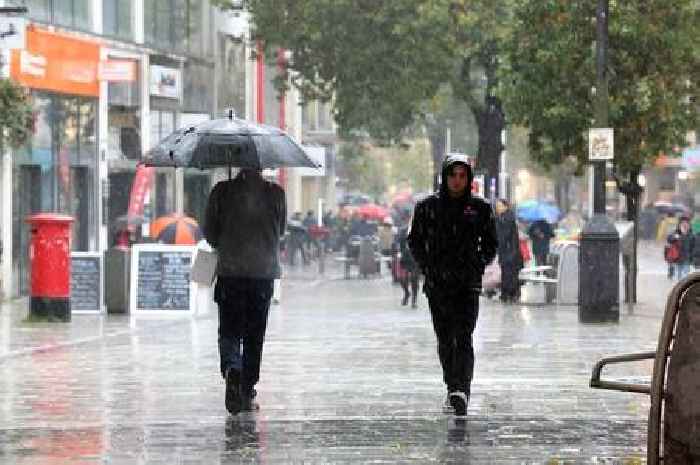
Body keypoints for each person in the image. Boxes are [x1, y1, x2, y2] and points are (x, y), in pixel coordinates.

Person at [408, 154, 497, 417]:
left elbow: (490, 244)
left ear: (468, 179)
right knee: (446, 338)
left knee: (464, 336)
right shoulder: (427, 207)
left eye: (462, 176)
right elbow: (414, 241)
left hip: (467, 284)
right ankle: (451, 385)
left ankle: (462, 390)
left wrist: (477, 263)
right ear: (444, 177)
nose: (457, 181)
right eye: (452, 175)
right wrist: (428, 267)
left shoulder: (480, 208)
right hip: (438, 285)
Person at [204, 168, 286, 415]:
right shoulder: (276, 194)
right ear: (261, 166)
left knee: (229, 331)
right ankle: (247, 390)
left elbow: (209, 233)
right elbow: (280, 231)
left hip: (230, 273)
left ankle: (232, 368)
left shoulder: (221, 191)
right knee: (254, 335)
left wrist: (227, 237)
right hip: (262, 275)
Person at [495, 199, 523, 303]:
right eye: (497, 206)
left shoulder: (508, 218)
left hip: (510, 251)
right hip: (505, 251)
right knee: (506, 273)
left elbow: (505, 236)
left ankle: (511, 293)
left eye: (500, 205)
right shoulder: (500, 218)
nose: (498, 208)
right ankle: (508, 293)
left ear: (506, 206)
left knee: (510, 273)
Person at [397, 224, 419, 307]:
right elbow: (398, 243)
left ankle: (414, 300)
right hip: (405, 257)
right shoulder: (403, 231)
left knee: (414, 278)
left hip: (416, 258)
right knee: (401, 278)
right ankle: (406, 293)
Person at [666, 216, 695, 280]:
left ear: (689, 225)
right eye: (682, 223)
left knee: (685, 277)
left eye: (686, 223)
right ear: (679, 225)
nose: (685, 225)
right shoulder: (675, 233)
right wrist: (676, 237)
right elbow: (669, 240)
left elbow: (694, 248)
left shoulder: (692, 235)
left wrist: (693, 258)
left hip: (687, 259)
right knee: (677, 277)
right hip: (676, 259)